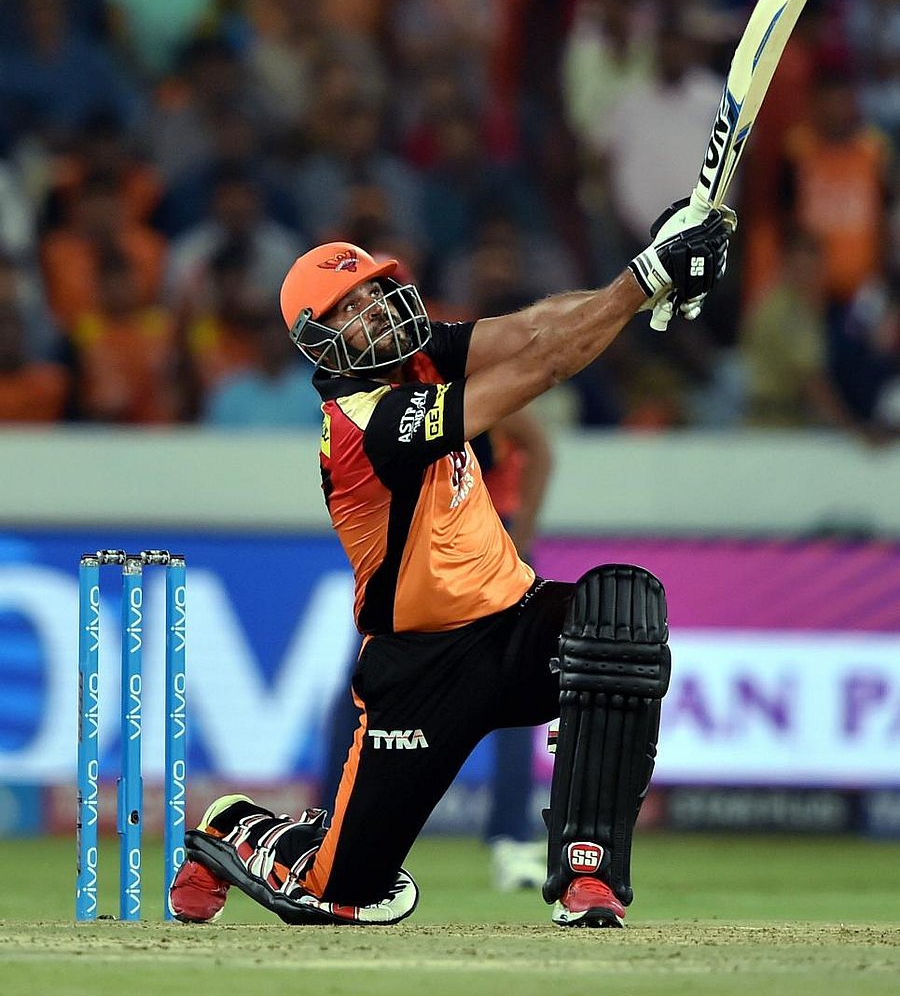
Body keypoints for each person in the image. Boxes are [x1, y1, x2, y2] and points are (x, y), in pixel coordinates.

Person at [169, 198, 733, 928]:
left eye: (375, 291)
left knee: (618, 611)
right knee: (343, 895)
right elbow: (543, 365)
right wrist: (640, 280)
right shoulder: (361, 427)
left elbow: (535, 327)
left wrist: (647, 283)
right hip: (420, 669)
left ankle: (586, 872)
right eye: (350, 307)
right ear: (318, 342)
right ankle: (232, 827)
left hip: (515, 625)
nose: (375, 309)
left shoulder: (422, 355)